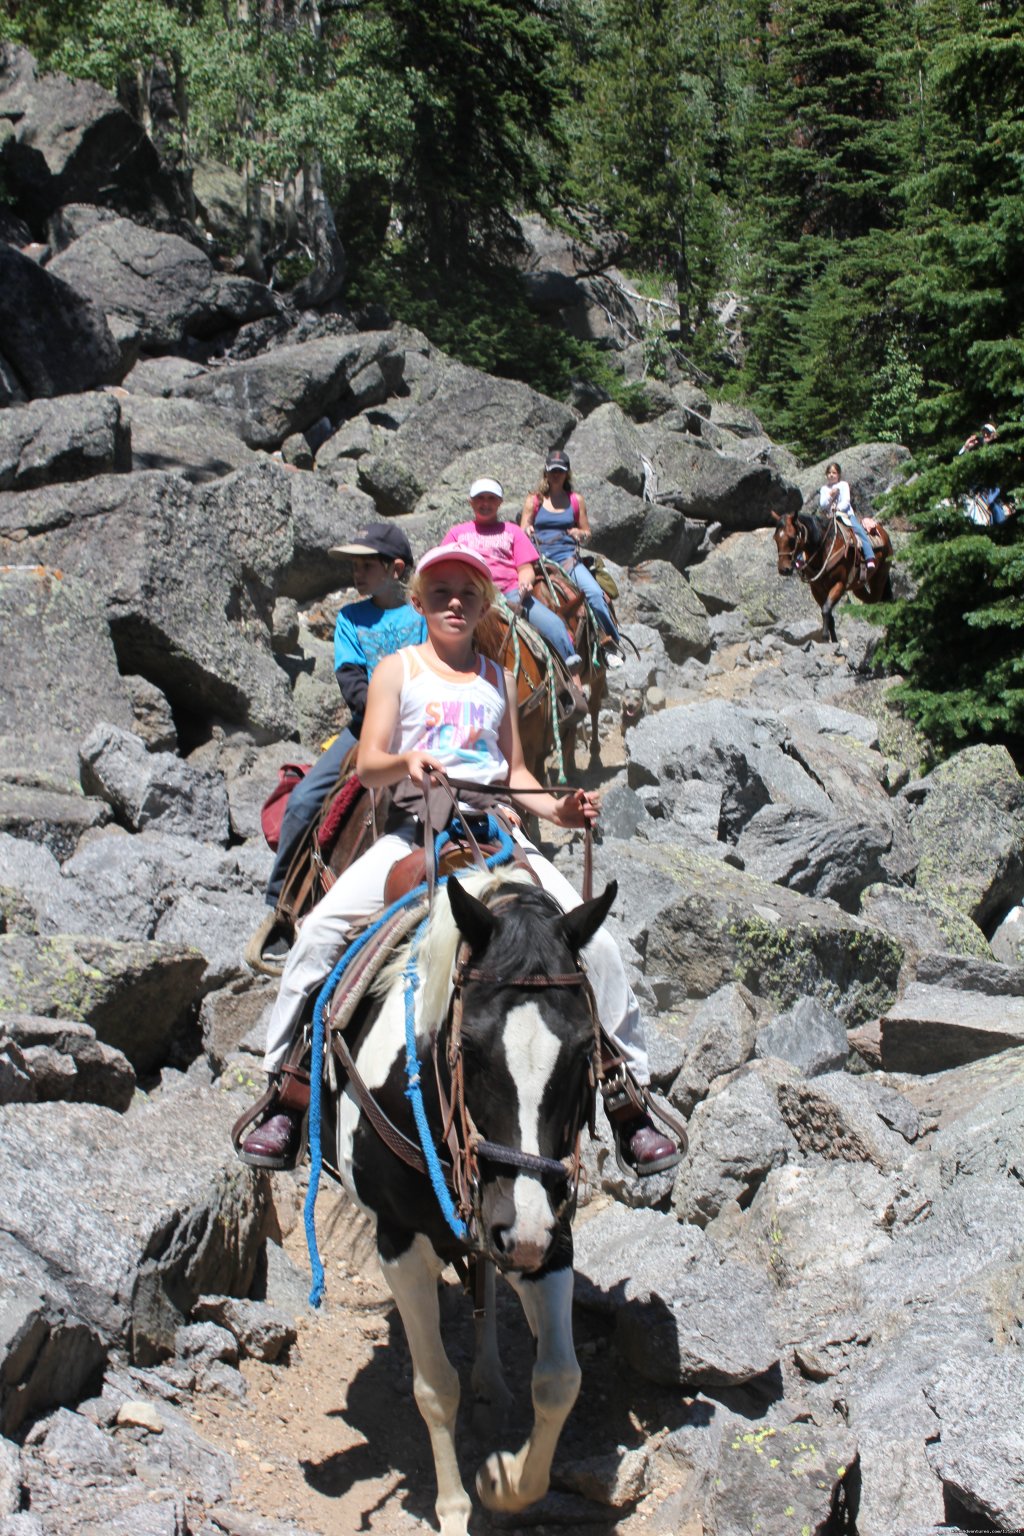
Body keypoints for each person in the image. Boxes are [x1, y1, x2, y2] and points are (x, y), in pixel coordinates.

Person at [238, 544, 680, 1178]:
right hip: (414, 827)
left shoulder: (497, 677)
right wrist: (405, 763)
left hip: (496, 832)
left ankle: (627, 1098)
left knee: (599, 947)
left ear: (483, 605)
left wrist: (557, 812)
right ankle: (285, 1093)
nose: (453, 602)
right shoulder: (399, 669)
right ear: (419, 600)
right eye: (440, 591)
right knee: (319, 937)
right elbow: (367, 764)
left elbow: (517, 774)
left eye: (466, 594)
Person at [247, 523, 426, 967]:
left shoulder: (423, 614)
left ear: (396, 568)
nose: (357, 574)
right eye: (355, 566)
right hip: (365, 727)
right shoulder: (349, 618)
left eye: (366, 565)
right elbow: (351, 681)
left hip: (424, 724)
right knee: (305, 800)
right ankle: (281, 908)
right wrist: (385, 716)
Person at [441, 477, 587, 711]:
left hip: (510, 593)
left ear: (499, 502)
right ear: (471, 502)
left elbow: (525, 568)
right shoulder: (457, 533)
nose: (485, 503)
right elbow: (442, 564)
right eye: (480, 498)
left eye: (491, 499)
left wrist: (525, 584)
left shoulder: (512, 531)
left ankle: (573, 684)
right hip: (471, 596)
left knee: (553, 625)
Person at [521, 449, 624, 667]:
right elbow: (522, 529)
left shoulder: (576, 501)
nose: (556, 475)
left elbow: (587, 532)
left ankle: (610, 643)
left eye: (560, 471)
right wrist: (528, 529)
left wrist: (580, 534)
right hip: (538, 562)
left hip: (568, 561)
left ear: (567, 473)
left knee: (595, 594)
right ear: (546, 473)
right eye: (552, 471)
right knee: (515, 598)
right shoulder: (534, 500)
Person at [819, 463, 876, 573]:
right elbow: (823, 504)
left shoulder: (843, 485)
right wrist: (830, 495)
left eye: (834, 473)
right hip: (830, 517)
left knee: (859, 530)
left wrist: (838, 509)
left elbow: (846, 501)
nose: (831, 475)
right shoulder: (824, 489)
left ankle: (869, 556)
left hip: (845, 515)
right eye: (829, 473)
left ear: (838, 474)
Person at [958, 422, 1012, 524]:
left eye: (988, 432)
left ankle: (999, 524)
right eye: (984, 432)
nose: (985, 435)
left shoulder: (999, 449)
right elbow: (959, 465)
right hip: (975, 488)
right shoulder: (977, 449)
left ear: (994, 434)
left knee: (993, 504)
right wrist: (966, 447)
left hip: (993, 488)